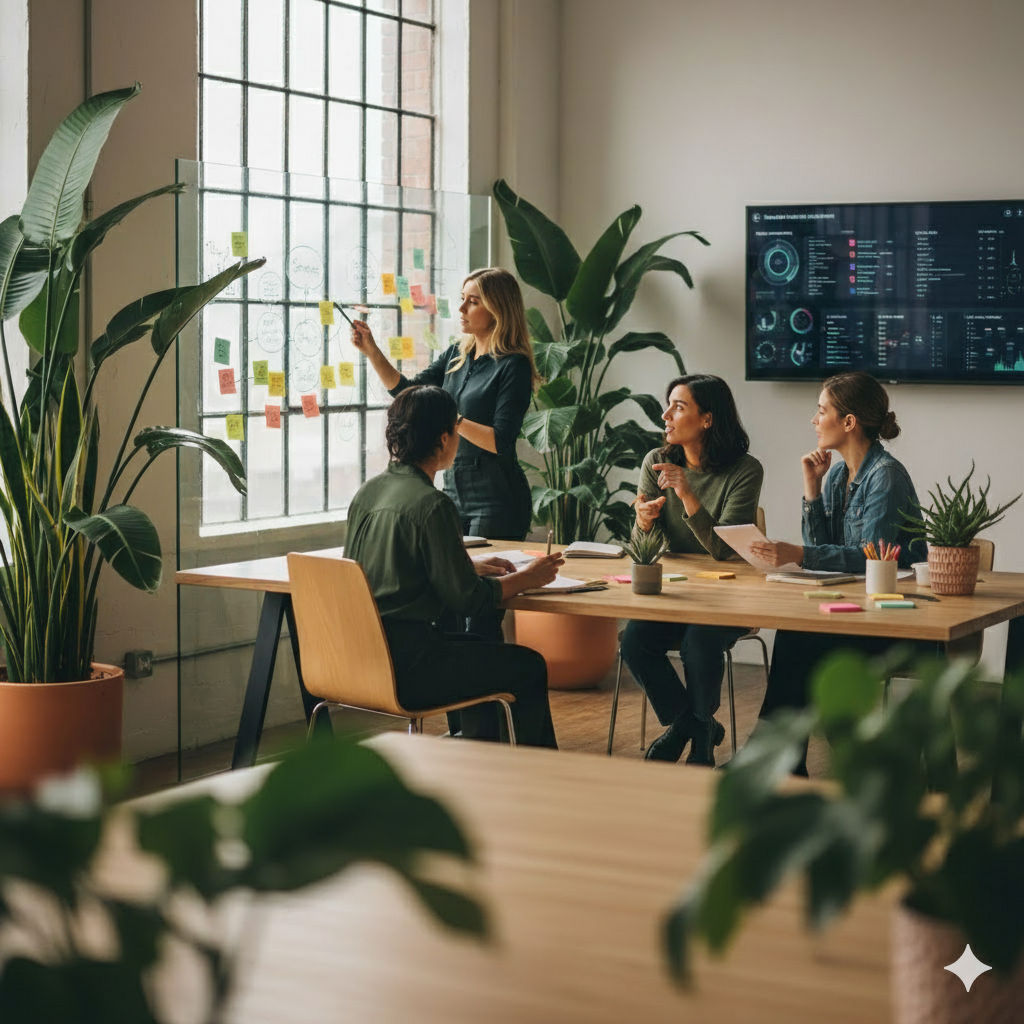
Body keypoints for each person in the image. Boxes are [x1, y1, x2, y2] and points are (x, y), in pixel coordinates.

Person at [344, 384, 562, 748]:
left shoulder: (367, 492)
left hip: (359, 656)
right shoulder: (433, 504)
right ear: (445, 438)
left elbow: (384, 567)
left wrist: (464, 564)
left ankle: (475, 752)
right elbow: (470, 601)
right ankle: (539, 772)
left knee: (473, 647)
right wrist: (527, 578)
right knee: (528, 666)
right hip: (410, 667)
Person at [750, 371, 933, 774]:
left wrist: (798, 552)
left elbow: (868, 557)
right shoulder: (837, 474)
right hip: (856, 612)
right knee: (796, 633)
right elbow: (826, 553)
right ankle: (784, 759)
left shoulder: (885, 475)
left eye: (821, 411)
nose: (814, 420)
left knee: (801, 642)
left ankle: (780, 758)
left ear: (849, 422)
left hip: (897, 623)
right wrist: (812, 489)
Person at [620, 374, 764, 766]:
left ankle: (697, 737)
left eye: (678, 406)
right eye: (668, 404)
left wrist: (685, 493)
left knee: (698, 642)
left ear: (707, 419)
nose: (665, 414)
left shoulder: (745, 470)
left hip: (732, 596)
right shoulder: (656, 462)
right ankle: (694, 725)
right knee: (634, 639)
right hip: (681, 594)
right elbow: (642, 546)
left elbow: (723, 550)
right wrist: (645, 522)